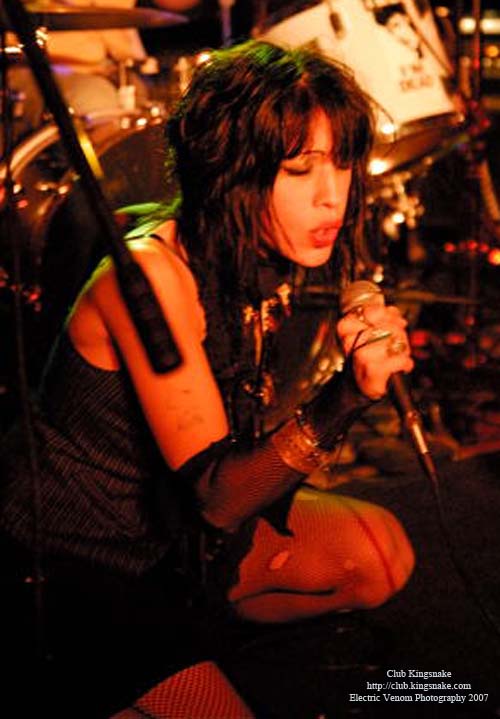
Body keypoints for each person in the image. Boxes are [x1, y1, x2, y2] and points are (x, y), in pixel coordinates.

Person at [0, 40, 415, 718]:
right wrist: (347, 394)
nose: (332, 197)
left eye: (342, 163)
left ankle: (192, 638)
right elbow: (220, 498)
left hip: (177, 544)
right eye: (300, 170)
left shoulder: (256, 244)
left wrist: (360, 315)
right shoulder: (151, 277)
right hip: (78, 564)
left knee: (381, 556)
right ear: (233, 174)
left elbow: (232, 466)